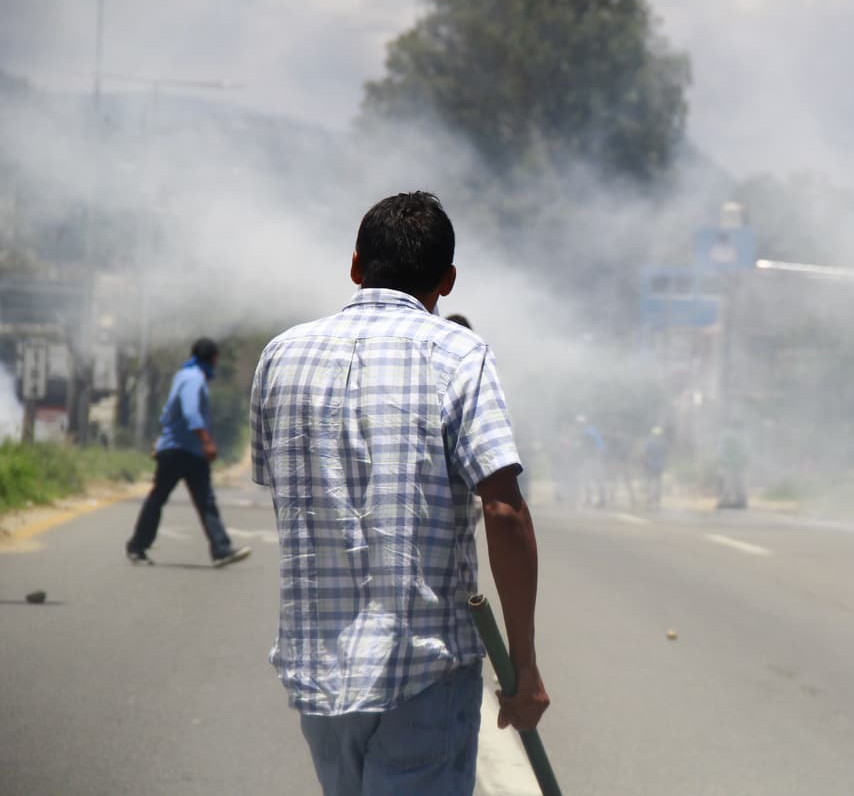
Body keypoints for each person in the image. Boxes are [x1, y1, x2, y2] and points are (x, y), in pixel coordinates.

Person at [249, 192, 548, 795]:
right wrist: (523, 667)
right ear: (448, 281)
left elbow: (279, 482)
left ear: (356, 266)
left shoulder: (280, 357)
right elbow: (504, 510)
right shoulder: (460, 355)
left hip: (320, 674)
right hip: (424, 669)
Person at [125, 338, 252, 568]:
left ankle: (221, 549)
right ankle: (137, 546)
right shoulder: (194, 379)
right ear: (213, 358)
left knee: (201, 501)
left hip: (187, 451)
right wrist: (207, 442)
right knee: (164, 499)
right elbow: (191, 412)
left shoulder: (185, 375)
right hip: (180, 451)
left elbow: (171, 414)